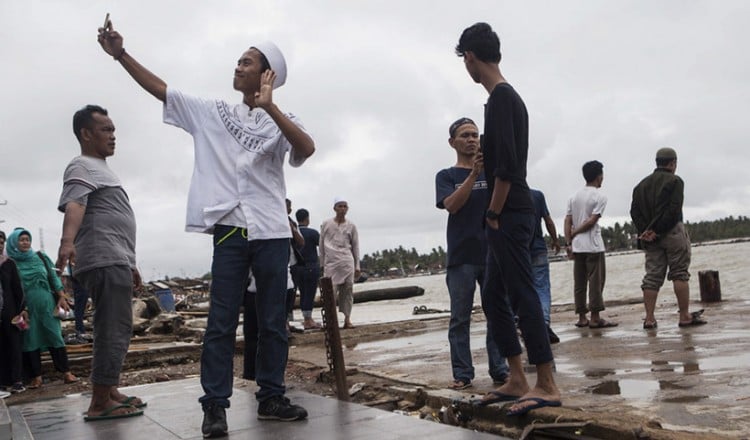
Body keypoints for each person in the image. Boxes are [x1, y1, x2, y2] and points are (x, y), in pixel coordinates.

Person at [97, 17, 315, 438]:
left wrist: (270, 106)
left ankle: (271, 396)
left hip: (271, 231)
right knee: (219, 322)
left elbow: (306, 148)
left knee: (273, 321)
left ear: (267, 74)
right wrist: (121, 55)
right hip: (230, 230)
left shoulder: (283, 118)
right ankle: (214, 406)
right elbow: (162, 89)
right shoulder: (212, 112)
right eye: (238, 60)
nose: (237, 66)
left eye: (247, 62)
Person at [456, 22, 561, 416]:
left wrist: (495, 212)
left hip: (510, 210)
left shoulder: (502, 98)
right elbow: (503, 159)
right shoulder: (499, 100)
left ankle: (547, 382)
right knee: (493, 295)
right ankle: (517, 376)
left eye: (464, 61)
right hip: (505, 210)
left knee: (521, 294)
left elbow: (511, 168)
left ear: (470, 57)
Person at [56, 104, 145, 422]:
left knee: (116, 326)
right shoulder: (81, 165)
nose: (113, 136)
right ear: (86, 134)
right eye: (106, 130)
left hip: (114, 257)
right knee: (113, 327)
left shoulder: (100, 168)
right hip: (103, 258)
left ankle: (109, 391)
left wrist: (130, 262)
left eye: (113, 130)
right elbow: (76, 203)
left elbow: (110, 216)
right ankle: (99, 403)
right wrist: (67, 242)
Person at [435, 117, 509, 390]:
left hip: (493, 254)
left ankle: (500, 369)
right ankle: (463, 374)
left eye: (475, 135)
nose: (471, 139)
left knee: (498, 313)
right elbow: (452, 206)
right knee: (460, 318)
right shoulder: (446, 176)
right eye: (465, 135)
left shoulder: (493, 172)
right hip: (461, 257)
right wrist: (473, 175)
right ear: (452, 142)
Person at [630, 147, 706, 329]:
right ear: (673, 163)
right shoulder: (675, 181)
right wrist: (658, 230)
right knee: (679, 273)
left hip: (649, 238)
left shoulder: (640, 185)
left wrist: (646, 230)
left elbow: (634, 211)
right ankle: (685, 316)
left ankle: (649, 319)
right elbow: (674, 209)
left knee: (652, 276)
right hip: (672, 232)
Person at [5, 229, 79, 389]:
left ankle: (66, 372)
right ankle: (36, 377)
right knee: (31, 340)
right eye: (21, 240)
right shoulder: (10, 263)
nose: (25, 242)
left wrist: (61, 296)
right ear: (13, 243)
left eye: (27, 239)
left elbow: (53, 277)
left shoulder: (40, 257)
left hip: (46, 304)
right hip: (26, 307)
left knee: (55, 336)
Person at [564, 161, 617, 329]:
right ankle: (595, 317)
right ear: (598, 176)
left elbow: (567, 220)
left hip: (577, 246)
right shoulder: (600, 197)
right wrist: (575, 232)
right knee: (596, 281)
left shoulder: (573, 197)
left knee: (579, 282)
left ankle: (581, 317)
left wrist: (569, 241)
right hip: (593, 245)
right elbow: (592, 221)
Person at [320, 198, 360, 330]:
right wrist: (321, 264)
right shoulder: (326, 224)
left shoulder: (351, 226)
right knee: (330, 292)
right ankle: (331, 321)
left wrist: (357, 266)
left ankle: (347, 319)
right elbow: (321, 245)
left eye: (345, 206)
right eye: (340, 206)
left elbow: (355, 246)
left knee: (348, 290)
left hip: (347, 262)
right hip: (331, 263)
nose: (342, 209)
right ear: (335, 208)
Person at [529, 189, 561, 343]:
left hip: (517, 251)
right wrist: (555, 240)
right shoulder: (537, 196)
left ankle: (522, 322)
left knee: (521, 289)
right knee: (542, 288)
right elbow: (548, 221)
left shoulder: (505, 195)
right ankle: (544, 323)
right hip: (538, 249)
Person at [0, 230, 27, 394]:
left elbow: (18, 290)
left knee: (14, 346)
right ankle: (2, 382)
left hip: (10, 314)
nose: (0, 245)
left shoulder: (9, 264)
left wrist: (21, 310)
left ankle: (17, 381)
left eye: (2, 242)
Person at [294, 208, 322, 330]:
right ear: (307, 219)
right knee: (310, 293)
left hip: (297, 267)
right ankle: (308, 319)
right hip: (310, 266)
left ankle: (305, 318)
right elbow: (322, 245)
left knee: (302, 293)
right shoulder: (312, 233)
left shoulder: (293, 233)